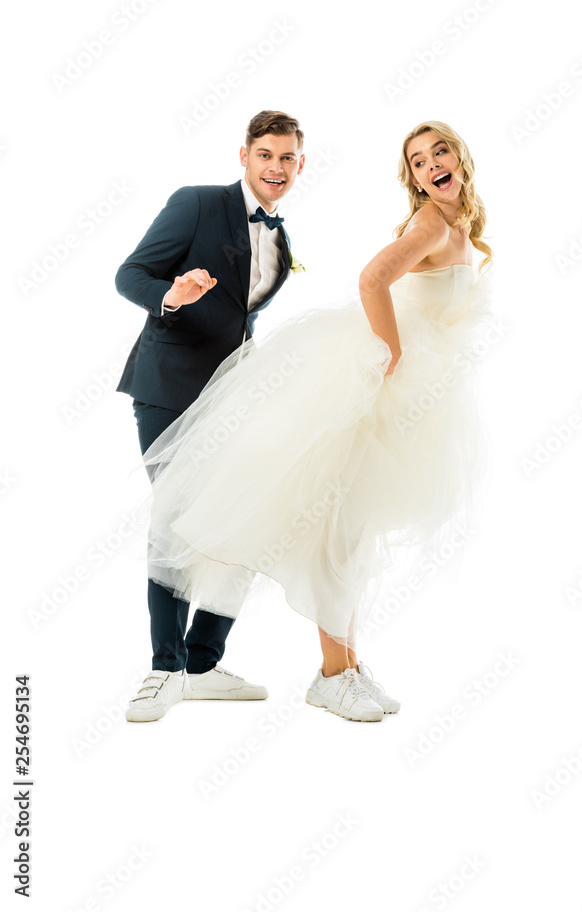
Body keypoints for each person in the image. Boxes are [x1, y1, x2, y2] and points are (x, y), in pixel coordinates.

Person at [141, 120, 495, 723]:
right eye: (417, 160)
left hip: (420, 393)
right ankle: (317, 672)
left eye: (438, 152)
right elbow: (372, 279)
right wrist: (392, 353)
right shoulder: (431, 222)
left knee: (355, 528)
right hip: (374, 380)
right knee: (334, 524)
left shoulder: (459, 225)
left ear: (458, 159)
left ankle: (346, 666)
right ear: (411, 178)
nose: (430, 164)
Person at [114, 109, 305, 722]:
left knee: (249, 519)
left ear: (300, 165)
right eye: (265, 155)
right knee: (176, 518)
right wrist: (170, 294)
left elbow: (240, 317)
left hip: (234, 397)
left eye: (286, 158)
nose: (275, 168)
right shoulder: (196, 203)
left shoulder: (281, 236)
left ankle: (202, 662)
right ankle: (163, 669)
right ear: (244, 156)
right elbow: (131, 273)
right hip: (169, 385)